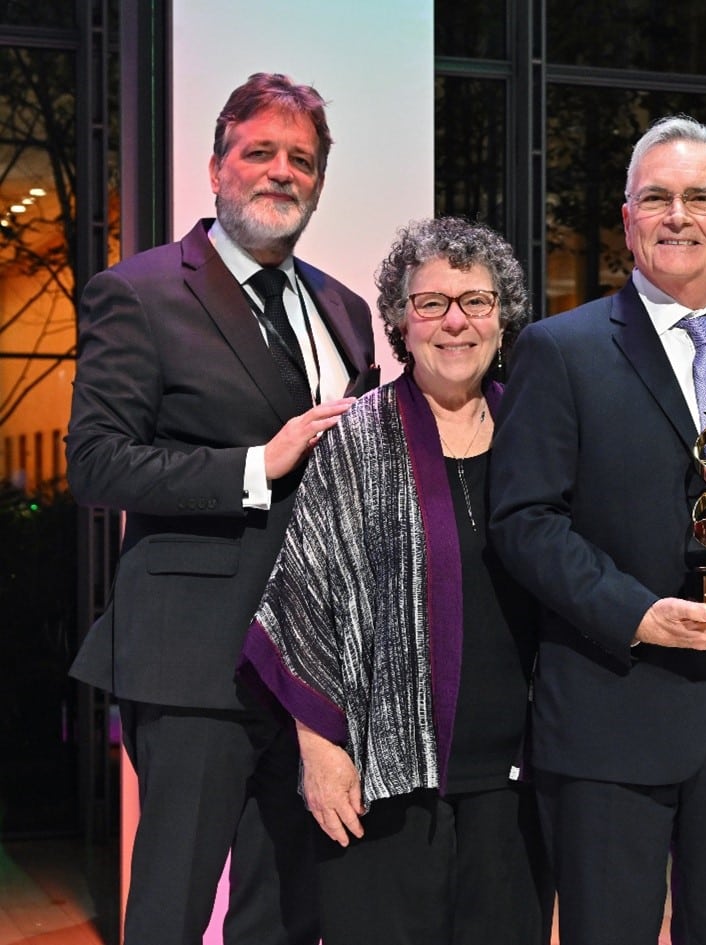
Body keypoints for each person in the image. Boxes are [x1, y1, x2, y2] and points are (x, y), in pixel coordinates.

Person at [66, 73, 377, 945]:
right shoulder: (140, 292)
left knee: (284, 910)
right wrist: (254, 464)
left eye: (302, 161)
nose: (282, 172)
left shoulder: (343, 309)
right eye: (260, 152)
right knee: (172, 906)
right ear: (216, 166)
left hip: (311, 666)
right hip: (195, 659)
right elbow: (94, 463)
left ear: (318, 182)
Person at [488, 115, 706, 945]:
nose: (679, 215)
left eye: (701, 197)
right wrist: (635, 611)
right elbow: (525, 519)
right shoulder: (561, 350)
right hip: (614, 695)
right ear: (628, 220)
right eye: (656, 197)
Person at [240, 217, 551, 945]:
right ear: (399, 323)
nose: (455, 322)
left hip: (520, 775)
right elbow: (303, 602)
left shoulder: (538, 432)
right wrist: (321, 754)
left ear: (503, 319)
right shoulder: (354, 437)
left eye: (476, 302)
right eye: (430, 302)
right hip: (383, 779)